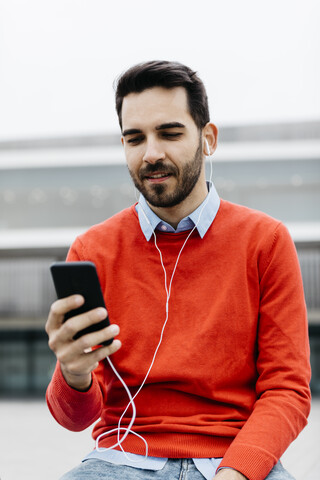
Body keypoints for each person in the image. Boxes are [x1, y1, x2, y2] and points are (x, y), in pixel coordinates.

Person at [45, 60, 311, 480]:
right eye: (135, 138)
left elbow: (287, 390)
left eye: (169, 133)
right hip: (120, 461)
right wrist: (73, 373)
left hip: (234, 461)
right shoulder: (91, 250)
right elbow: (76, 419)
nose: (151, 153)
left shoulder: (267, 241)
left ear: (208, 139)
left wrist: (237, 472)